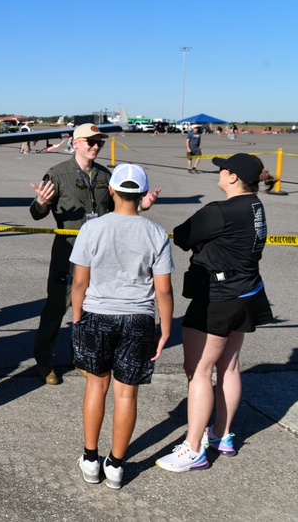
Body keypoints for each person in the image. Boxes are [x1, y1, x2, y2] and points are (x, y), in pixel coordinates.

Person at [156, 154, 274, 473]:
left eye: (223, 169)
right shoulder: (256, 206)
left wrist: (202, 245)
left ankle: (194, 448)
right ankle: (222, 435)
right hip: (248, 292)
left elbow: (182, 236)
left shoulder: (220, 210)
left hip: (218, 298)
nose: (219, 173)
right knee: (230, 365)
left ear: (233, 177)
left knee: (198, 371)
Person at [29, 123, 160, 385]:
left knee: (92, 309)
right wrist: (41, 204)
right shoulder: (57, 174)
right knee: (56, 307)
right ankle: (44, 361)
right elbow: (35, 212)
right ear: (75, 143)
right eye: (90, 141)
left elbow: (118, 207)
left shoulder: (105, 176)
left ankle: (82, 358)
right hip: (68, 252)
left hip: (100, 253)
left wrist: (141, 206)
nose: (95, 146)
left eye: (98, 142)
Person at [69, 164, 174, 490]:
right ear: (143, 195)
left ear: (111, 191)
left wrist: (76, 319)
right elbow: (164, 290)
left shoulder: (92, 229)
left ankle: (90, 458)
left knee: (95, 387)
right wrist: (165, 328)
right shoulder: (156, 233)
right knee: (127, 393)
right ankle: (115, 464)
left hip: (98, 315)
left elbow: (79, 282)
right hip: (139, 319)